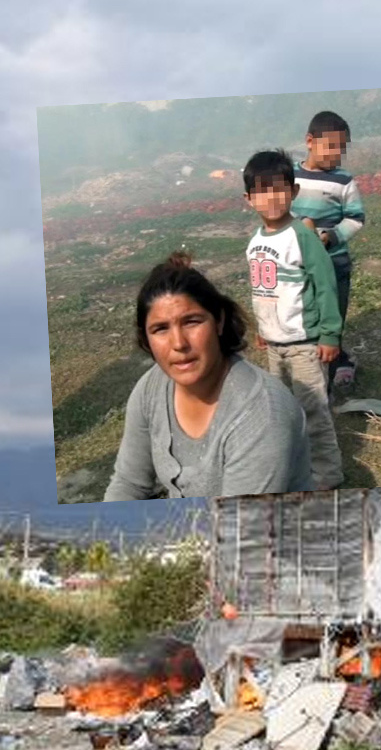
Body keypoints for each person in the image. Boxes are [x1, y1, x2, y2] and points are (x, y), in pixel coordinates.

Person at [103, 251, 312, 500]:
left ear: (219, 321)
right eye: (160, 329)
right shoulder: (151, 388)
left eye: (191, 322)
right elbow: (129, 483)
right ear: (146, 339)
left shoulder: (261, 414)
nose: (179, 343)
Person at [243, 148, 345, 490]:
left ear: (294, 191)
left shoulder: (301, 236)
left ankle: (327, 477)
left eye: (279, 189)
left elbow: (326, 285)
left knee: (314, 413)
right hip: (275, 345)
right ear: (248, 199)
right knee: (283, 412)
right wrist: (262, 329)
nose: (271, 198)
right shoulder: (255, 241)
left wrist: (330, 335)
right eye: (261, 191)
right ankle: (296, 467)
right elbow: (263, 289)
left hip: (305, 345)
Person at [291, 111, 365, 389]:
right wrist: (301, 231)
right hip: (301, 265)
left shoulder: (343, 181)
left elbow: (356, 219)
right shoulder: (291, 177)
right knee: (307, 314)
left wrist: (329, 237)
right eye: (331, 146)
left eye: (342, 149)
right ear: (310, 141)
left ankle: (337, 362)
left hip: (335, 264)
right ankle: (309, 366)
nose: (337, 154)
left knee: (333, 316)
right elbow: (282, 212)